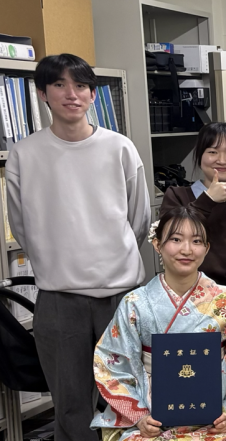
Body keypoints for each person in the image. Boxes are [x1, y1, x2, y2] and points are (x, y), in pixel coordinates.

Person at [6, 53, 151, 440]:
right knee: (69, 405)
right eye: (59, 85)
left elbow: (138, 219)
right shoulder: (24, 154)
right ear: (43, 94)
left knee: (128, 400)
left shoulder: (120, 148)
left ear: (92, 94)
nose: (71, 94)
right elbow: (21, 227)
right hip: (58, 300)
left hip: (120, 296)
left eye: (81, 86)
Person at [92, 207, 226, 440]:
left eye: (196, 241)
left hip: (215, 418)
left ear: (207, 248)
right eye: (175, 239)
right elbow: (112, 364)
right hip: (150, 418)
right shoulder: (135, 303)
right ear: (157, 245)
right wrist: (139, 416)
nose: (187, 250)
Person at [160, 122, 226, 317]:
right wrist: (208, 199)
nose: (222, 160)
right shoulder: (176, 196)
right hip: (179, 302)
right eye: (213, 152)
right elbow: (174, 235)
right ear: (200, 156)